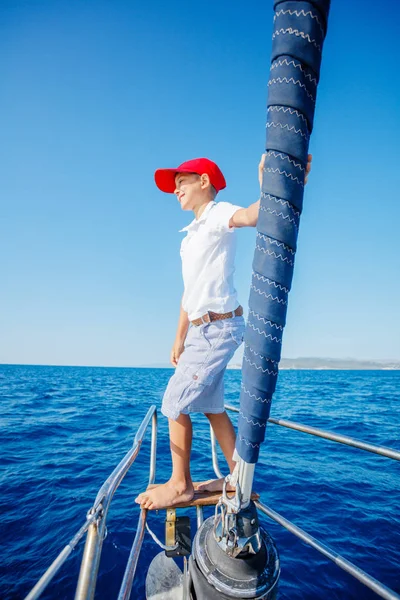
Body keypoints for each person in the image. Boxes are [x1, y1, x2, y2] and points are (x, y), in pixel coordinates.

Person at [135, 154, 312, 510]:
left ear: (204, 181)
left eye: (181, 181)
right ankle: (235, 478)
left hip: (219, 326)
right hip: (202, 329)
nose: (175, 190)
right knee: (214, 408)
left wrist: (276, 184)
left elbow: (253, 215)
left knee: (174, 402)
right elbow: (190, 294)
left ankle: (180, 484)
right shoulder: (190, 236)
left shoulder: (216, 214)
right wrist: (179, 337)